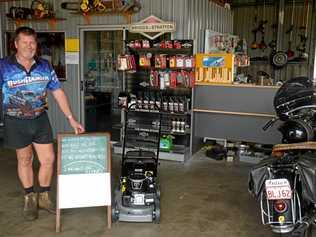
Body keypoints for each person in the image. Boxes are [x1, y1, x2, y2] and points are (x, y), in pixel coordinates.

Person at [0, 26, 85, 221]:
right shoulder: (3, 66)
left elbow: (58, 92)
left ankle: (44, 197)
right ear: (16, 44)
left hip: (40, 119)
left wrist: (71, 118)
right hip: (15, 121)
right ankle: (30, 197)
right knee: (25, 160)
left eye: (32, 42)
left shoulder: (45, 66)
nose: (29, 46)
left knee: (49, 159)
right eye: (25, 42)